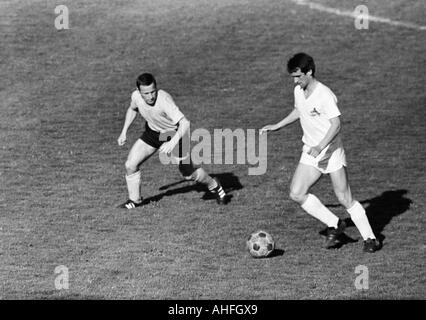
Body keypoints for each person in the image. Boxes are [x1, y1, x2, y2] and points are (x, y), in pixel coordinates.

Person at [260, 53, 380, 253]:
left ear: (309, 72)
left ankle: (370, 239)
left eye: (299, 76)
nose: (296, 81)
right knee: (297, 193)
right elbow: (299, 110)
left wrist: (321, 146)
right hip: (311, 151)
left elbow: (336, 124)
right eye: (293, 77)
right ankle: (335, 224)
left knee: (344, 198)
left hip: (330, 152)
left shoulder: (324, 94)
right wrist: (277, 125)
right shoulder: (299, 91)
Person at [117, 73, 227, 209]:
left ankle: (214, 185)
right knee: (130, 165)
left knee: (188, 173)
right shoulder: (136, 96)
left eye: (153, 92)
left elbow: (185, 124)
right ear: (139, 91)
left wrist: (172, 142)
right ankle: (135, 200)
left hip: (176, 134)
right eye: (146, 93)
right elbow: (132, 109)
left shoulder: (163, 101)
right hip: (153, 133)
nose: (151, 96)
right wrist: (124, 131)